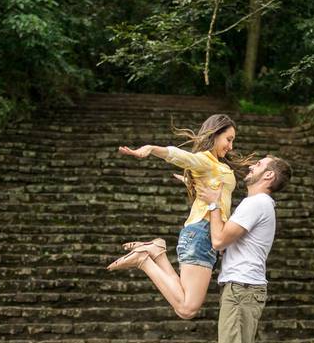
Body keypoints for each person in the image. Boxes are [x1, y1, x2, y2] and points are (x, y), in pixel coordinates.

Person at [106, 114, 252, 320]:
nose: (231, 145)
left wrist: (190, 182)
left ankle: (157, 251)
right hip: (201, 234)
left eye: (233, 140)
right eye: (228, 139)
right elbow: (180, 156)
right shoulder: (205, 160)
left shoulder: (217, 166)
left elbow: (212, 189)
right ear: (215, 134)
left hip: (203, 234)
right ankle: (143, 260)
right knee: (186, 309)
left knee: (183, 306)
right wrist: (151, 149)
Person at [197, 154, 292, 343]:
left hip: (241, 289)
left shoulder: (256, 203)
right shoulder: (260, 205)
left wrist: (213, 204)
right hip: (248, 287)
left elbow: (218, 240)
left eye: (260, 164)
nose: (252, 166)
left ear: (269, 177)